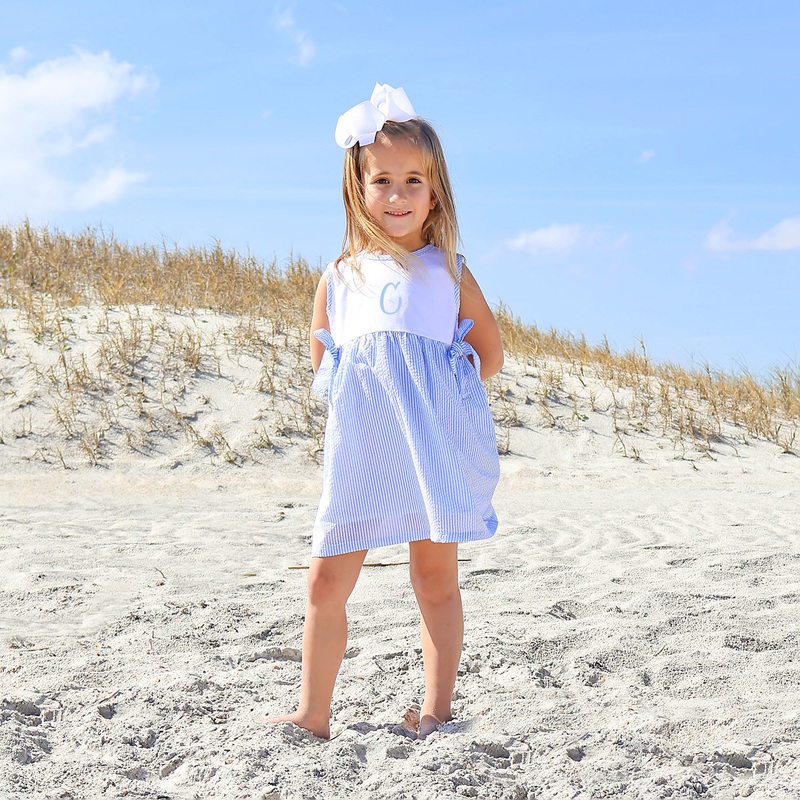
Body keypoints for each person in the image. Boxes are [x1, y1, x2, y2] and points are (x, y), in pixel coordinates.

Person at [271, 83, 503, 740]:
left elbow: (488, 354)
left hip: (429, 451)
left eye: (413, 181)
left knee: (433, 580)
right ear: (357, 187)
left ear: (435, 193)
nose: (397, 196)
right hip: (364, 455)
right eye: (382, 181)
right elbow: (327, 364)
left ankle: (436, 711)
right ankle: (312, 713)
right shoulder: (338, 278)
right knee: (323, 583)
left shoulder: (449, 273)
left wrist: (441, 391)